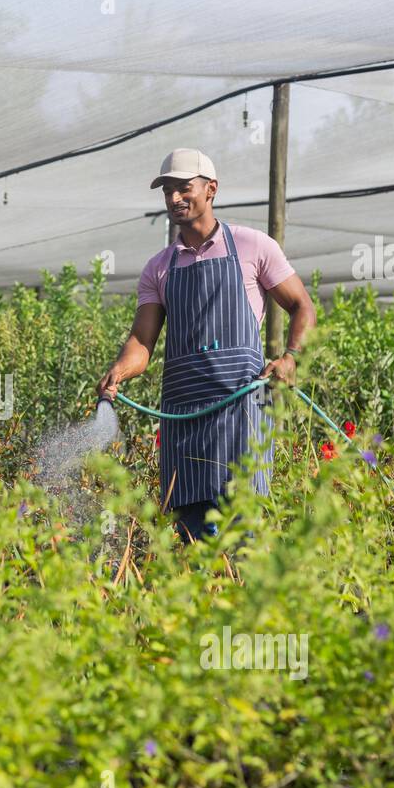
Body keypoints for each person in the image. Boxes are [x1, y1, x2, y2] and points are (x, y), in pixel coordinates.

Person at [97, 148, 317, 542]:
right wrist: (121, 369)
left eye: (184, 188)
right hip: (183, 416)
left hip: (243, 408)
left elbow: (303, 306)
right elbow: (142, 342)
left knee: (244, 531)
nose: (174, 199)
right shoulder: (159, 267)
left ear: (211, 189)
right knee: (191, 537)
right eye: (167, 191)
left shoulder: (253, 246)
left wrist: (290, 358)